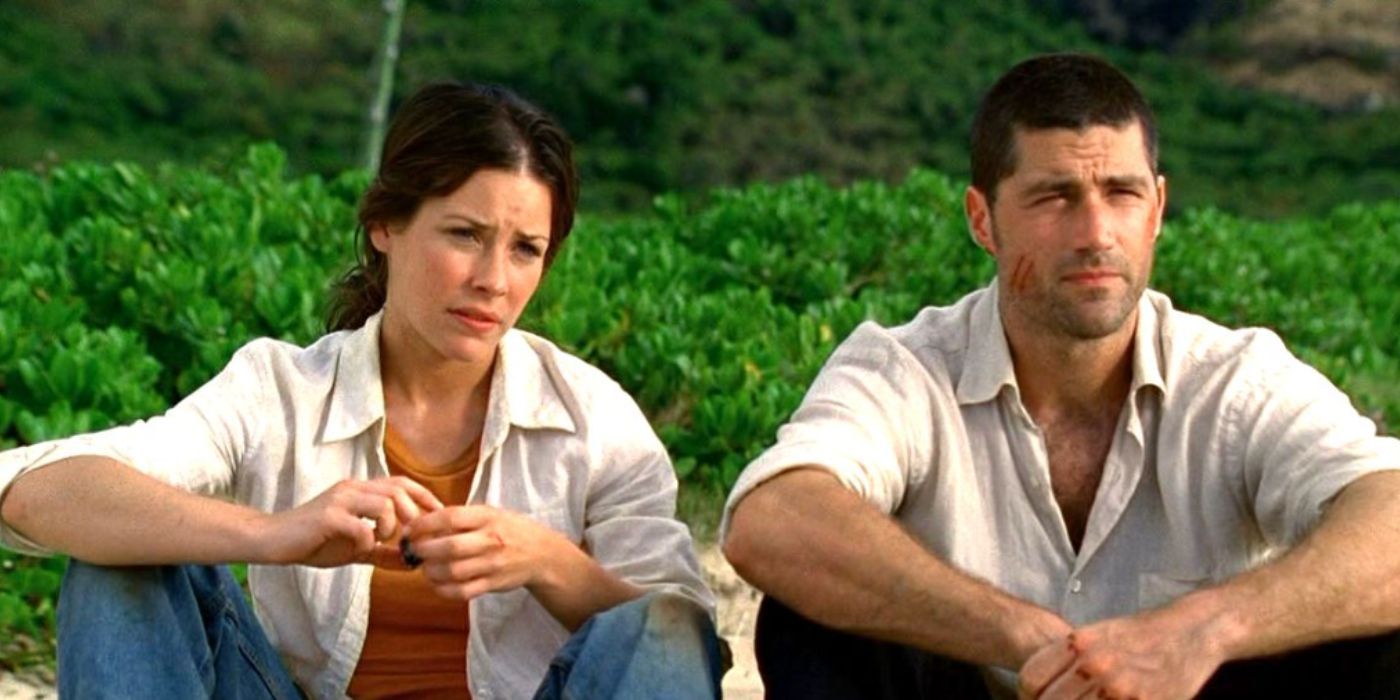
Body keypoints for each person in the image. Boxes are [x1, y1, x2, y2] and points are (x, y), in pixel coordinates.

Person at [0, 82, 722, 699]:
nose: (493, 280)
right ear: (385, 224)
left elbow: (685, 655)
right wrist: (280, 534)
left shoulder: (595, 421)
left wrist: (543, 560)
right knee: (121, 557)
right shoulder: (280, 389)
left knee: (655, 626)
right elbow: (33, 489)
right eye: (465, 235)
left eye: (525, 249)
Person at [721, 53, 1400, 700]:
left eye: (1122, 193)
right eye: (1054, 197)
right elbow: (774, 518)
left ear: (1157, 210)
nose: (1096, 232)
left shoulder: (1233, 381)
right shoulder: (907, 370)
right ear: (982, 219)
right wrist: (1027, 637)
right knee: (809, 620)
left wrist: (1201, 632)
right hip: (971, 689)